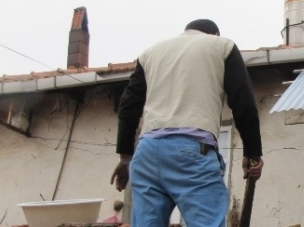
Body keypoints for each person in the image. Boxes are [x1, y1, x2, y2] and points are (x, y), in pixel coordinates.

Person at [110, 19, 264, 227]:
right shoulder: (222, 46)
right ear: (214, 34)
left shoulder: (150, 54)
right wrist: (252, 153)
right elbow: (243, 103)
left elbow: (128, 107)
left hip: (146, 155)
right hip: (191, 153)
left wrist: (125, 159)